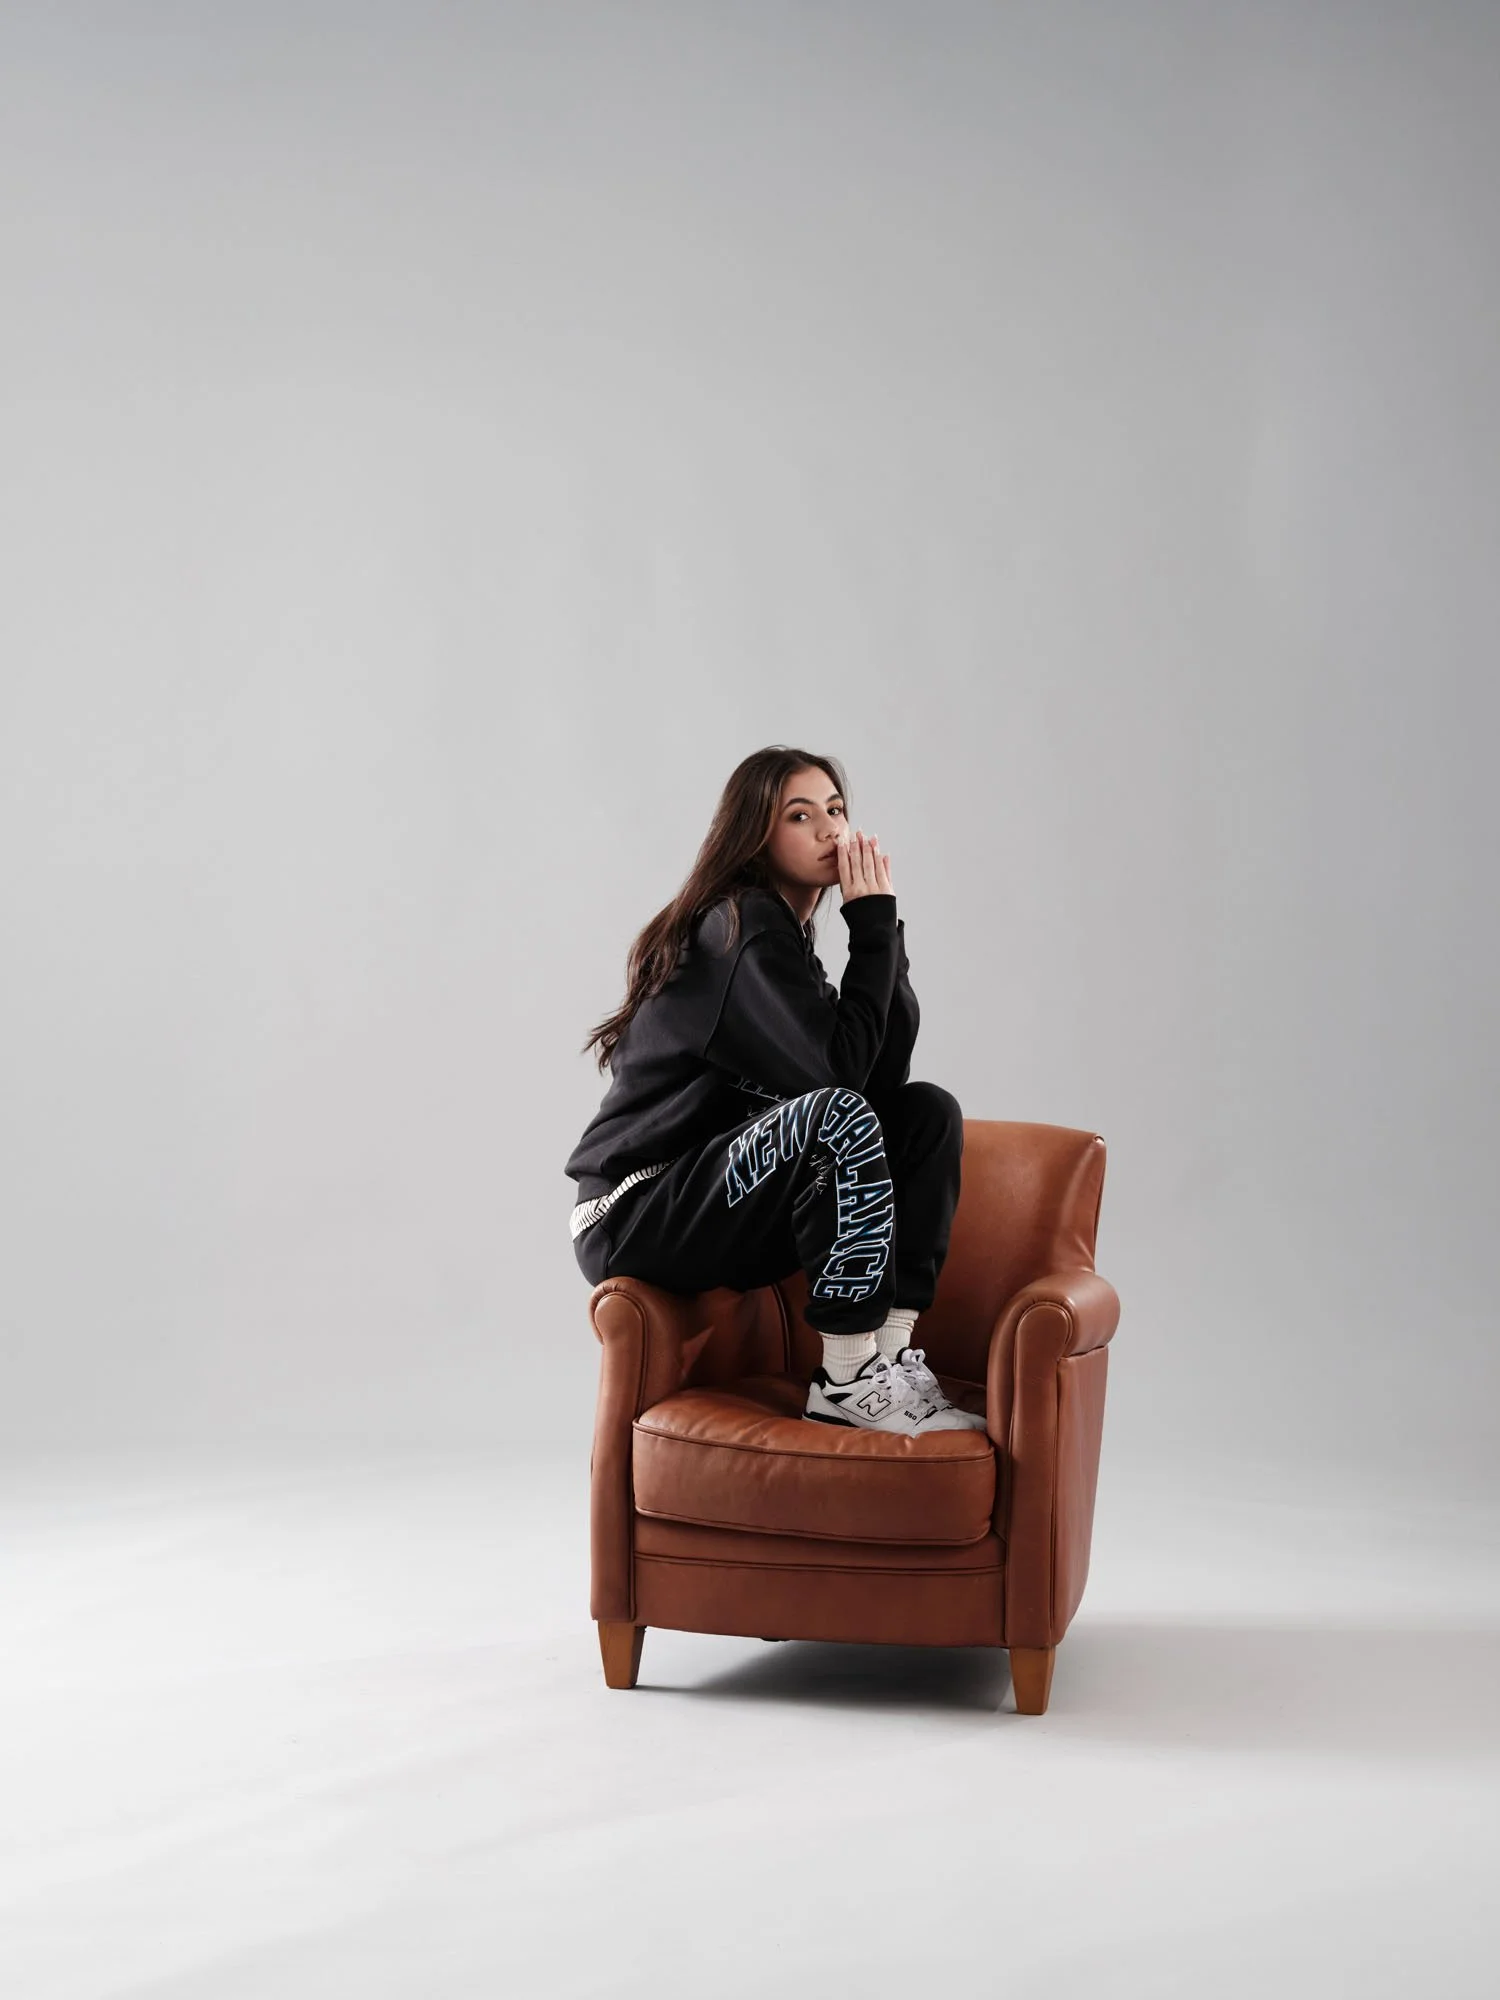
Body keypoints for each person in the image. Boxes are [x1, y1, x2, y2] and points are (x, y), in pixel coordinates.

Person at [565, 744, 978, 1436]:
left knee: (924, 1113)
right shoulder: (740, 924)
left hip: (726, 1201)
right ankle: (847, 1379)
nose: (830, 830)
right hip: (637, 1206)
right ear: (756, 834)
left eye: (836, 811)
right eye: (800, 815)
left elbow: (880, 1081)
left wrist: (882, 932)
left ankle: (888, 1359)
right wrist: (871, 931)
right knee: (836, 1113)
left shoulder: (788, 947)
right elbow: (837, 1087)